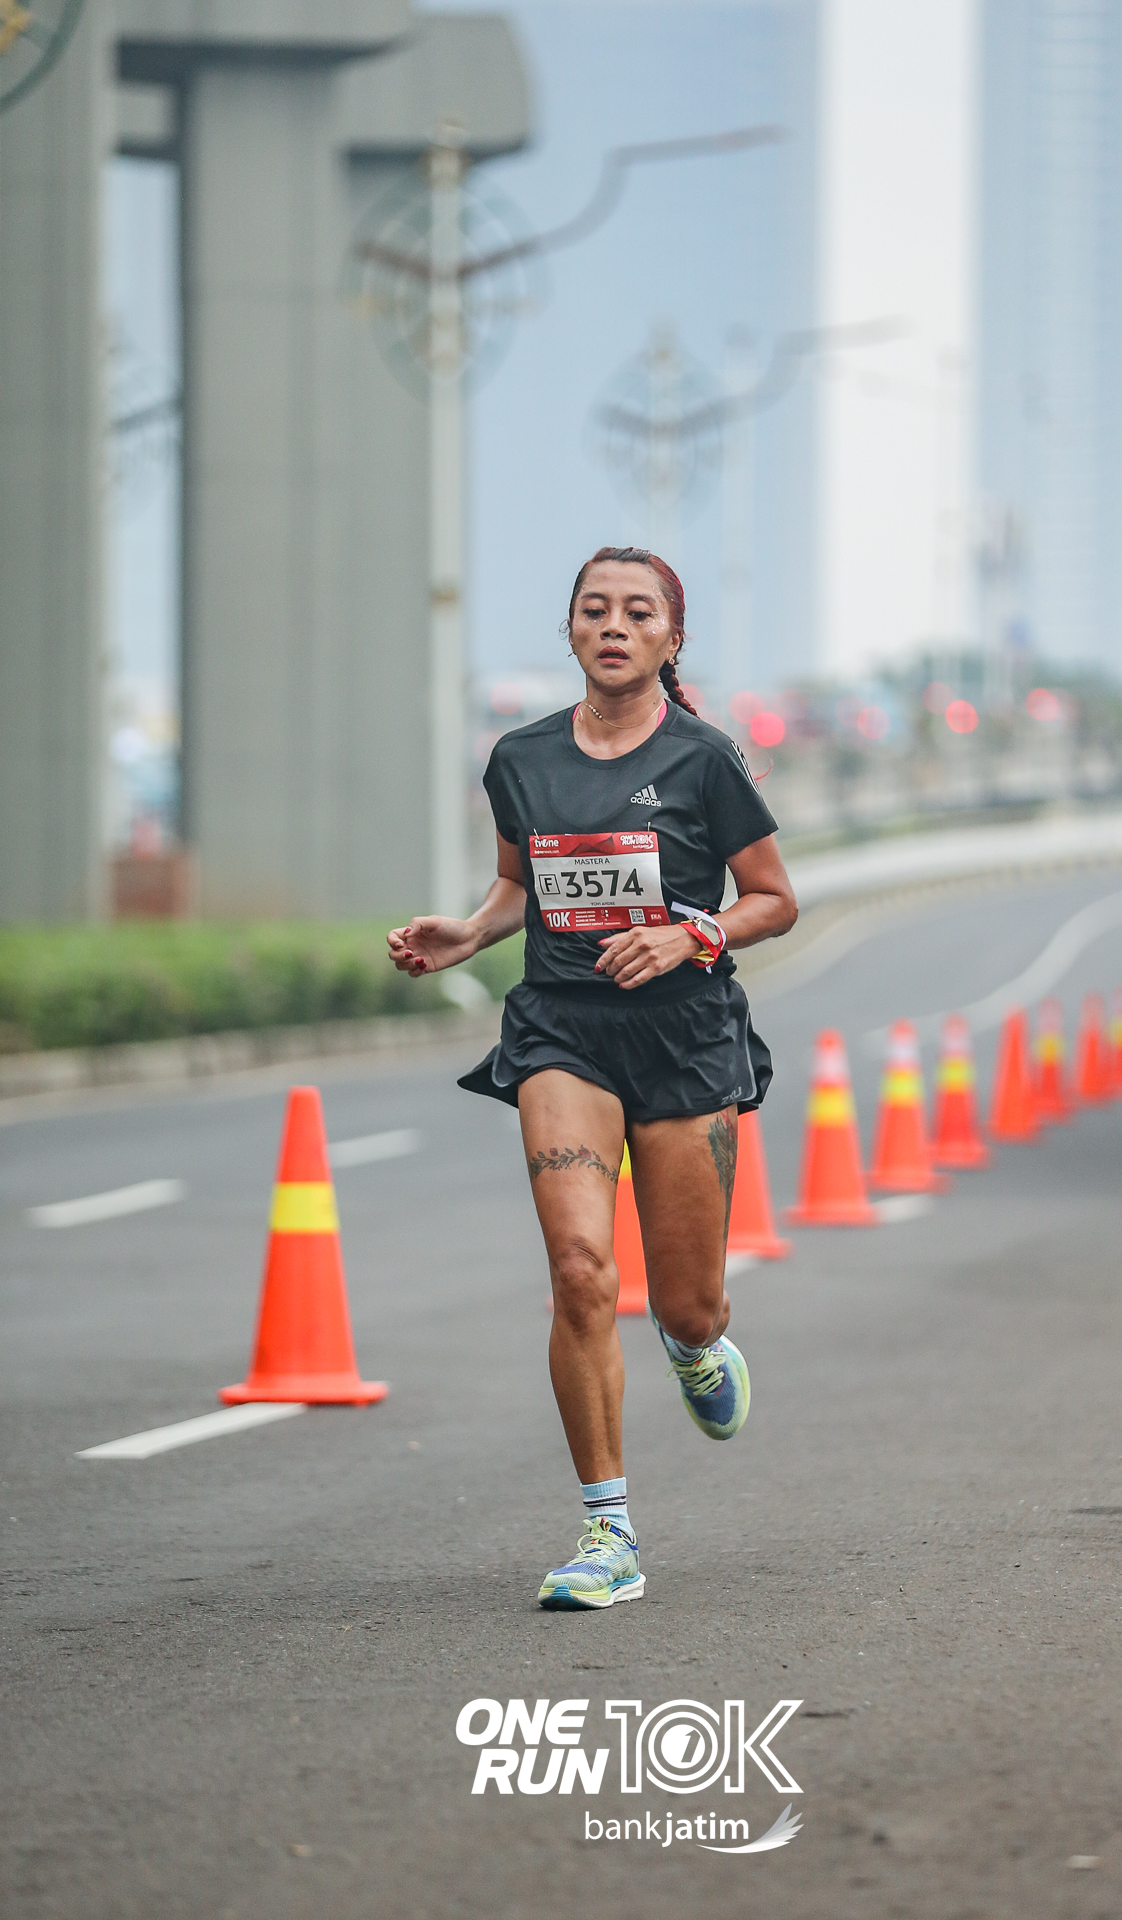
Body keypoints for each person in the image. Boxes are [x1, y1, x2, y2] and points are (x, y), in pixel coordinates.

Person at [388, 547, 797, 1608]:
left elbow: (773, 900)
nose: (614, 626)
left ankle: (694, 1349)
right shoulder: (520, 758)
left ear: (671, 638)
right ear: (570, 630)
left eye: (638, 613)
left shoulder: (706, 758)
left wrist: (689, 935)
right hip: (562, 1032)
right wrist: (467, 933)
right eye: (594, 609)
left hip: (684, 1037)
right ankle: (607, 1534)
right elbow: (517, 887)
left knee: (689, 1303)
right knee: (578, 1271)